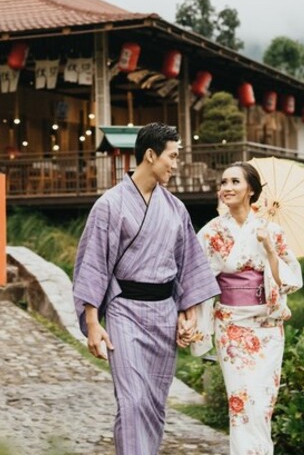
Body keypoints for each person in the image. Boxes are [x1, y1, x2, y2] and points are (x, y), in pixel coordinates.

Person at [72, 122, 219, 455]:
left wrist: (187, 312)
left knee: (152, 404)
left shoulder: (176, 208)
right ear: (151, 155)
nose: (176, 164)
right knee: (132, 400)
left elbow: (188, 265)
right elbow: (93, 264)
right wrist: (93, 324)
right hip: (125, 311)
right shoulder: (109, 205)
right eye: (173, 156)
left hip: (164, 313)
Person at [191, 162, 302, 455]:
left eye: (234, 182)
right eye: (224, 182)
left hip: (267, 328)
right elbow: (195, 278)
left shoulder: (272, 232)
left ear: (250, 190)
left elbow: (288, 280)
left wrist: (268, 249)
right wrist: (189, 317)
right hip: (232, 326)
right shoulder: (212, 232)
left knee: (263, 403)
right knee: (241, 402)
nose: (226, 187)